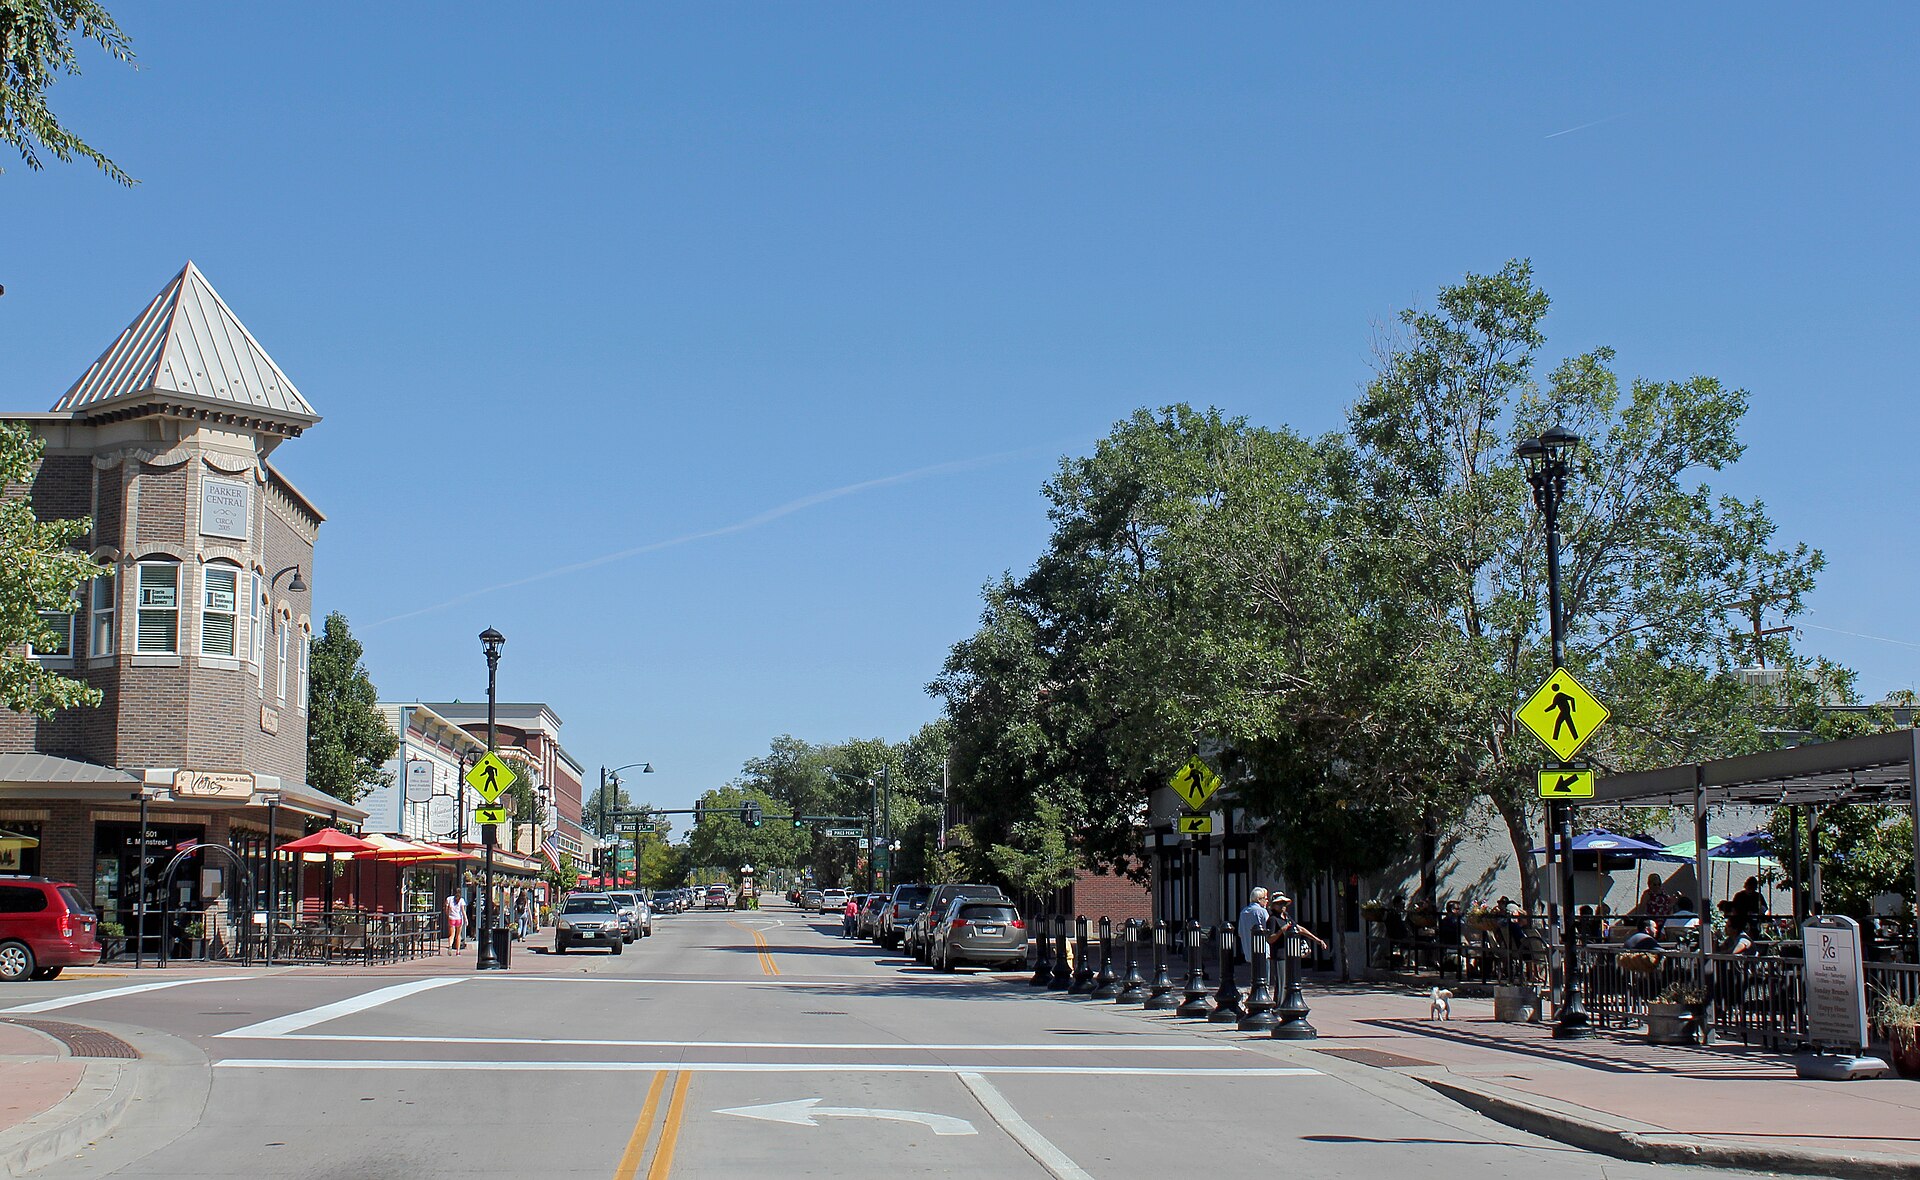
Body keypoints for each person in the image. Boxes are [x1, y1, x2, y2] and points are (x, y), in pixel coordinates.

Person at [1266, 892, 1328, 961]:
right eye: (1279, 903)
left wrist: (1317, 940)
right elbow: (1270, 939)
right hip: (1280, 957)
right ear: (1273, 905)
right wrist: (1281, 930)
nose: (1282, 906)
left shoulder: (1287, 917)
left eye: (1284, 903)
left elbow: (1299, 929)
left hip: (1291, 955)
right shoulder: (1272, 919)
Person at [1236, 887, 1270, 969]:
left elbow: (1240, 933)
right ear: (1259, 899)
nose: (1266, 901)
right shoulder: (1262, 911)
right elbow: (1269, 929)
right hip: (1263, 952)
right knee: (1265, 975)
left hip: (1249, 953)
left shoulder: (1243, 912)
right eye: (1264, 898)